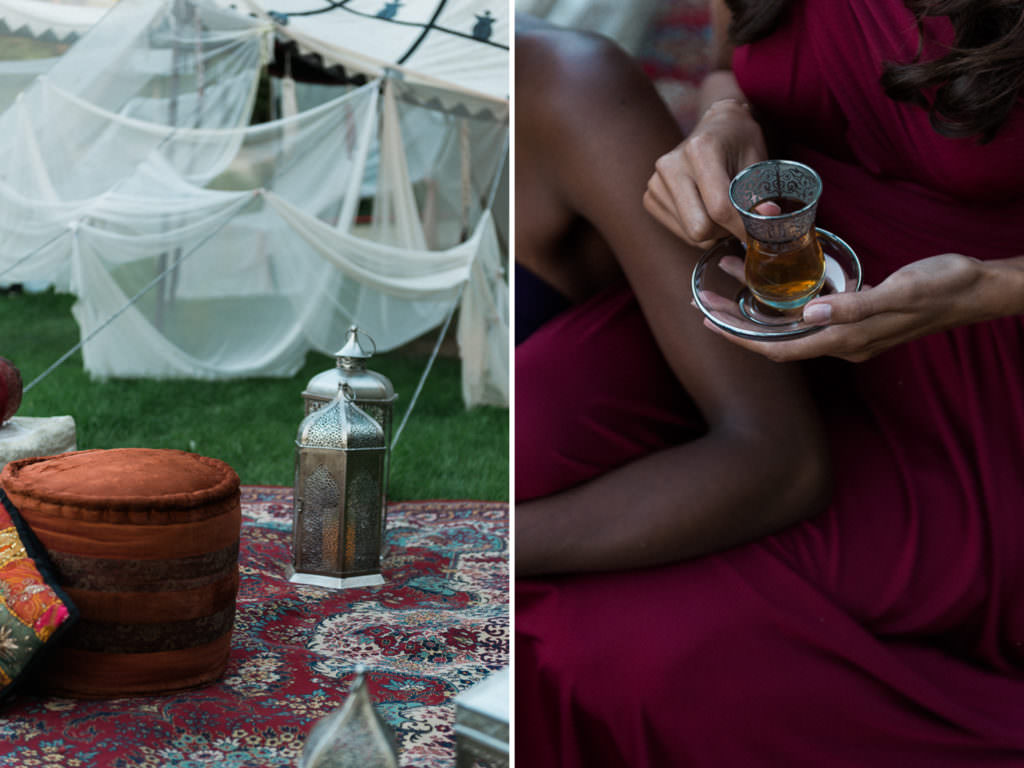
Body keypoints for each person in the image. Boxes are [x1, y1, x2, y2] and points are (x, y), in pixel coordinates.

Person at [515, 1, 1024, 765]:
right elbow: (731, 62)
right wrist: (723, 118)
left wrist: (989, 288)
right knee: (532, 440)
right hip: (775, 288)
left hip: (972, 348)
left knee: (621, 651)